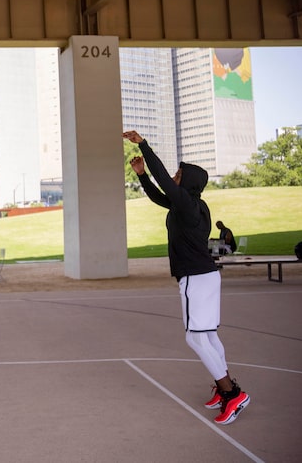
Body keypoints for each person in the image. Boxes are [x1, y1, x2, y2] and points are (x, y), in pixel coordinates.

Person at [123, 130, 250, 425]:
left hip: (196, 277)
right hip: (204, 276)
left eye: (180, 174)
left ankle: (232, 394)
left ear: (189, 181)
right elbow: (159, 194)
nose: (175, 177)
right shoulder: (190, 206)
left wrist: (144, 145)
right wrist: (142, 176)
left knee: (194, 338)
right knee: (206, 335)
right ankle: (225, 388)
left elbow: (164, 181)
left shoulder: (190, 205)